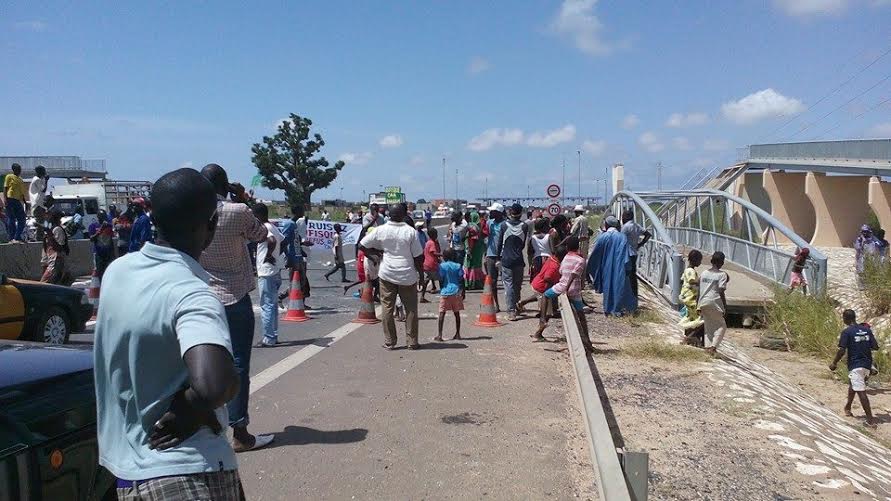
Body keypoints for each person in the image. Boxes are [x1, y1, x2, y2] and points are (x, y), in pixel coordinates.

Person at [93, 168, 244, 500]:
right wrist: (191, 407)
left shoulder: (118, 272)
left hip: (128, 476)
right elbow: (215, 384)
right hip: (189, 473)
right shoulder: (192, 293)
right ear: (211, 225)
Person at [199, 163, 273, 453]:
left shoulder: (194, 211)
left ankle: (206, 426)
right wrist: (243, 198)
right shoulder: (237, 211)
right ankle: (240, 432)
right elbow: (260, 233)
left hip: (202, 295)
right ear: (225, 185)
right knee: (238, 363)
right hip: (234, 295)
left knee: (203, 359)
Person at [359, 203, 424, 350]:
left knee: (387, 308)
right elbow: (418, 257)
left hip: (387, 273)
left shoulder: (381, 230)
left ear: (389, 215)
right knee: (411, 309)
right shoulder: (410, 232)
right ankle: (412, 342)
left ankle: (390, 341)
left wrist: (373, 256)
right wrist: (421, 274)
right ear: (403, 215)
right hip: (407, 274)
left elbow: (362, 245)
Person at [830, 309, 879, 428]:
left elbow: (841, 350)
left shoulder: (847, 332)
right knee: (854, 384)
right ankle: (848, 407)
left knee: (861, 392)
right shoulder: (867, 330)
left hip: (856, 364)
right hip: (867, 364)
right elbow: (875, 346)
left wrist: (834, 363)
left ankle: (870, 420)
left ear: (845, 319)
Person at [545, 237, 593, 352]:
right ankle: (587, 340)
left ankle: (544, 318)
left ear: (567, 247)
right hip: (575, 291)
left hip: (562, 287)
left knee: (546, 295)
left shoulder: (565, 257)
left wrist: (565, 288)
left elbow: (563, 272)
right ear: (578, 247)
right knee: (581, 315)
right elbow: (575, 274)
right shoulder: (581, 260)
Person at [588, 216, 637, 316]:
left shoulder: (603, 236)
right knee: (619, 286)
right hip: (619, 266)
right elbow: (627, 254)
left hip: (606, 266)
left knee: (608, 286)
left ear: (606, 225)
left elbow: (595, 254)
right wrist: (628, 267)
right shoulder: (622, 237)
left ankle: (608, 308)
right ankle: (619, 308)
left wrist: (595, 267)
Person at [253, 203, 286, 348]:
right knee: (272, 305)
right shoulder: (273, 227)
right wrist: (275, 255)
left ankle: (268, 338)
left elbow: (271, 241)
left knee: (266, 305)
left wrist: (267, 255)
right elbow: (282, 241)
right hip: (275, 270)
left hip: (266, 271)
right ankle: (273, 335)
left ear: (258, 215)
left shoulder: (264, 228)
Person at [518, 245, 567, 342]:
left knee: (538, 298)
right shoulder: (555, 265)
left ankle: (522, 303)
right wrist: (554, 285)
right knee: (548, 313)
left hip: (537, 284)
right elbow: (547, 277)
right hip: (542, 287)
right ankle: (538, 333)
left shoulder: (551, 259)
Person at [498, 203, 529, 321]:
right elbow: (522, 244)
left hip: (506, 259)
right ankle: (517, 306)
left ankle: (511, 311)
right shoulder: (524, 226)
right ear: (521, 213)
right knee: (517, 285)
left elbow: (500, 243)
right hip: (519, 259)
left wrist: (497, 258)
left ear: (510, 212)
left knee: (508, 285)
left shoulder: (503, 225)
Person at [279, 205, 314, 307]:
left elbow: (296, 239)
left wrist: (302, 247)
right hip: (292, 257)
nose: (303, 211)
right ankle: (282, 297)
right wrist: (287, 257)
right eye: (302, 209)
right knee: (295, 282)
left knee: (301, 282)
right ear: (297, 211)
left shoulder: (294, 225)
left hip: (298, 256)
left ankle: (299, 303)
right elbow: (284, 241)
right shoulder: (289, 224)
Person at [698, 251, 729, 356]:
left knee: (708, 326)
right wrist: (724, 306)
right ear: (722, 263)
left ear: (711, 261)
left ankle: (707, 348)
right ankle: (713, 347)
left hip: (703, 302)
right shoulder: (722, 275)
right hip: (714, 302)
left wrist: (698, 304)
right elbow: (721, 291)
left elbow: (699, 289)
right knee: (721, 326)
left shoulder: (704, 273)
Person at [621, 209, 652, 299]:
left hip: (626, 254)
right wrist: (640, 244)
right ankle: (634, 294)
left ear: (626, 217)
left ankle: (627, 294)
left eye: (623, 216)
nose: (622, 218)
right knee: (633, 275)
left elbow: (620, 240)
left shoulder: (625, 227)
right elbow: (648, 235)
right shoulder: (637, 226)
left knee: (625, 274)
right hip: (634, 252)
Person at [435, 248, 465, 341]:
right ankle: (458, 333)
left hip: (445, 292)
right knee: (457, 313)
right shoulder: (458, 265)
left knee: (442, 313)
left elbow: (440, 277)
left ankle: (440, 335)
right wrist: (463, 291)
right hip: (456, 292)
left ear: (444, 257)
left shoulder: (442, 266)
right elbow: (461, 278)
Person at [679, 250, 705, 345]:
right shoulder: (691, 271)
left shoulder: (687, 270)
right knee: (702, 320)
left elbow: (682, 281)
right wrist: (701, 281)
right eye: (699, 260)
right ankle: (689, 338)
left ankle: (690, 338)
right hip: (692, 299)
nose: (700, 262)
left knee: (691, 318)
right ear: (694, 260)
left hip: (687, 298)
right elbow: (691, 281)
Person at [40, 208, 72, 285]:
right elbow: (46, 247)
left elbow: (59, 247)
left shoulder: (57, 229)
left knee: (45, 283)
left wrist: (50, 236)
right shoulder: (51, 229)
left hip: (56, 260)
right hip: (52, 259)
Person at [483, 203, 505, 312]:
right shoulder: (489, 223)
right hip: (491, 255)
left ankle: (512, 304)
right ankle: (496, 305)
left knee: (506, 281)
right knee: (492, 282)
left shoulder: (505, 224)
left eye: (492, 211)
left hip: (503, 255)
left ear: (498, 213)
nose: (490, 213)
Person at [88, 210, 117, 279]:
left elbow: (111, 238)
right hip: (99, 253)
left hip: (108, 253)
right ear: (98, 217)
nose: (103, 219)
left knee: (110, 273)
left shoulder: (109, 226)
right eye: (101, 217)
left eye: (104, 217)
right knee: (100, 273)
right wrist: (100, 229)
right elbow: (91, 239)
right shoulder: (93, 226)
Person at [4, 163, 27, 242]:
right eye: (18, 169)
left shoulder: (20, 179)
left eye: (20, 169)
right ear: (14, 170)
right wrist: (5, 199)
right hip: (10, 198)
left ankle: (17, 236)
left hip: (17, 200)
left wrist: (25, 202)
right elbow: (5, 188)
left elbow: (22, 192)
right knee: (11, 218)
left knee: (22, 219)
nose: (19, 171)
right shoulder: (9, 176)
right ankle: (11, 237)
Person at [464, 211, 485, 290]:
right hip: (478, 249)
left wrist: (469, 250)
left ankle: (470, 284)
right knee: (477, 265)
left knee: (469, 265)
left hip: (472, 248)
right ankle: (477, 283)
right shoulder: (477, 226)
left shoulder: (471, 227)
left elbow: (471, 240)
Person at [420, 227, 441, 302]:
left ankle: (422, 296)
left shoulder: (428, 242)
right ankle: (444, 295)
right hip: (432, 264)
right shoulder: (432, 243)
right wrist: (441, 255)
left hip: (426, 264)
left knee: (427, 280)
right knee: (441, 278)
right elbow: (434, 252)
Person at [29, 165, 49, 242]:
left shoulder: (38, 179)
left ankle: (40, 237)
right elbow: (43, 190)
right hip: (38, 205)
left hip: (39, 204)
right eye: (44, 171)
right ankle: (39, 239)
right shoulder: (37, 179)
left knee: (42, 222)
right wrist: (47, 180)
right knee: (40, 222)